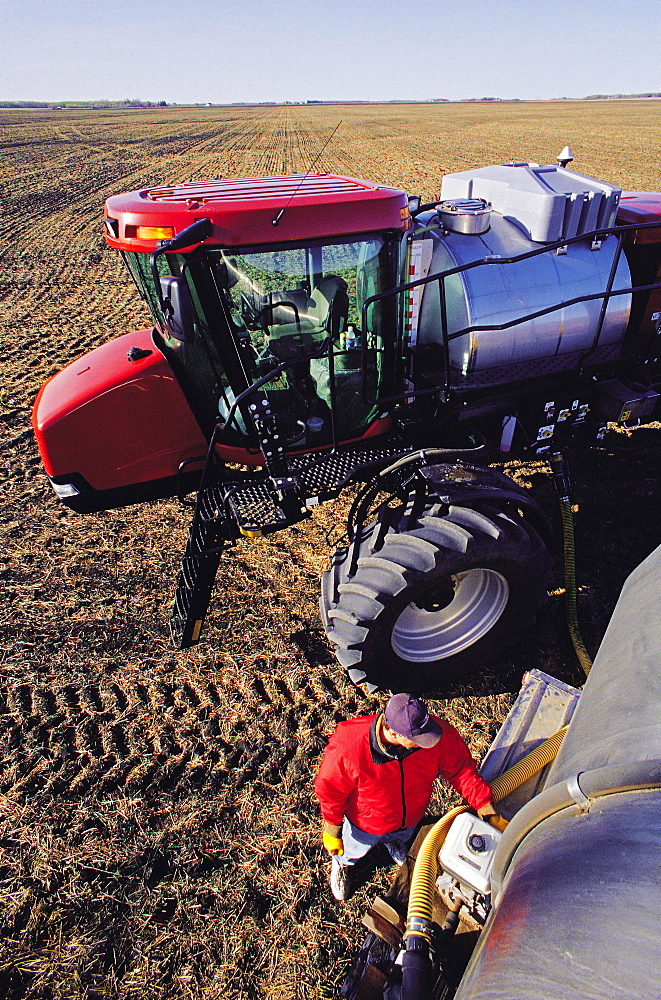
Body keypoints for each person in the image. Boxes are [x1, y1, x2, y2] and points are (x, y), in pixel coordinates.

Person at [314, 692, 497, 901]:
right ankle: (343, 863)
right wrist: (332, 829)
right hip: (366, 824)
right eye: (418, 740)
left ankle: (394, 842)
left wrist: (484, 805)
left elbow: (461, 770)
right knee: (351, 849)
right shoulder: (349, 746)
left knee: (403, 835)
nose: (427, 742)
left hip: (410, 817)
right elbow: (330, 790)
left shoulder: (431, 732)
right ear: (393, 733)